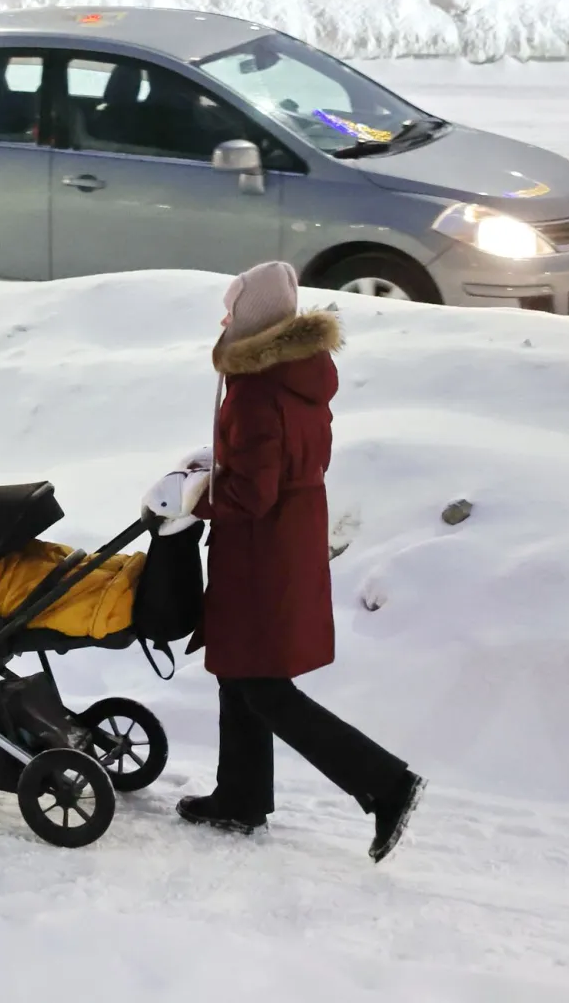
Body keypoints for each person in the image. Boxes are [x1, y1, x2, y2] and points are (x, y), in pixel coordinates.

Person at [142, 261, 425, 864]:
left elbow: (252, 493)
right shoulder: (301, 374)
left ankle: (385, 784)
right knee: (239, 675)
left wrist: (195, 495)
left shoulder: (257, 391)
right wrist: (215, 468)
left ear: (253, 320)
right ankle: (240, 798)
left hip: (259, 556)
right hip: (285, 545)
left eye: (231, 311)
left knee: (263, 687)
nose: (222, 319)